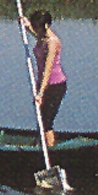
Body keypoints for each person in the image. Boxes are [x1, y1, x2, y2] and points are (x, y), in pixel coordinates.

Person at [25, 9, 67, 147]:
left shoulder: (52, 42)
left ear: (46, 26)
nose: (36, 31)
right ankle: (43, 147)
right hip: (42, 84)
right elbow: (37, 35)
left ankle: (51, 151)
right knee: (40, 120)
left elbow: (48, 70)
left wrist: (41, 93)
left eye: (37, 27)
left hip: (54, 86)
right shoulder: (42, 38)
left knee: (46, 122)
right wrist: (26, 26)